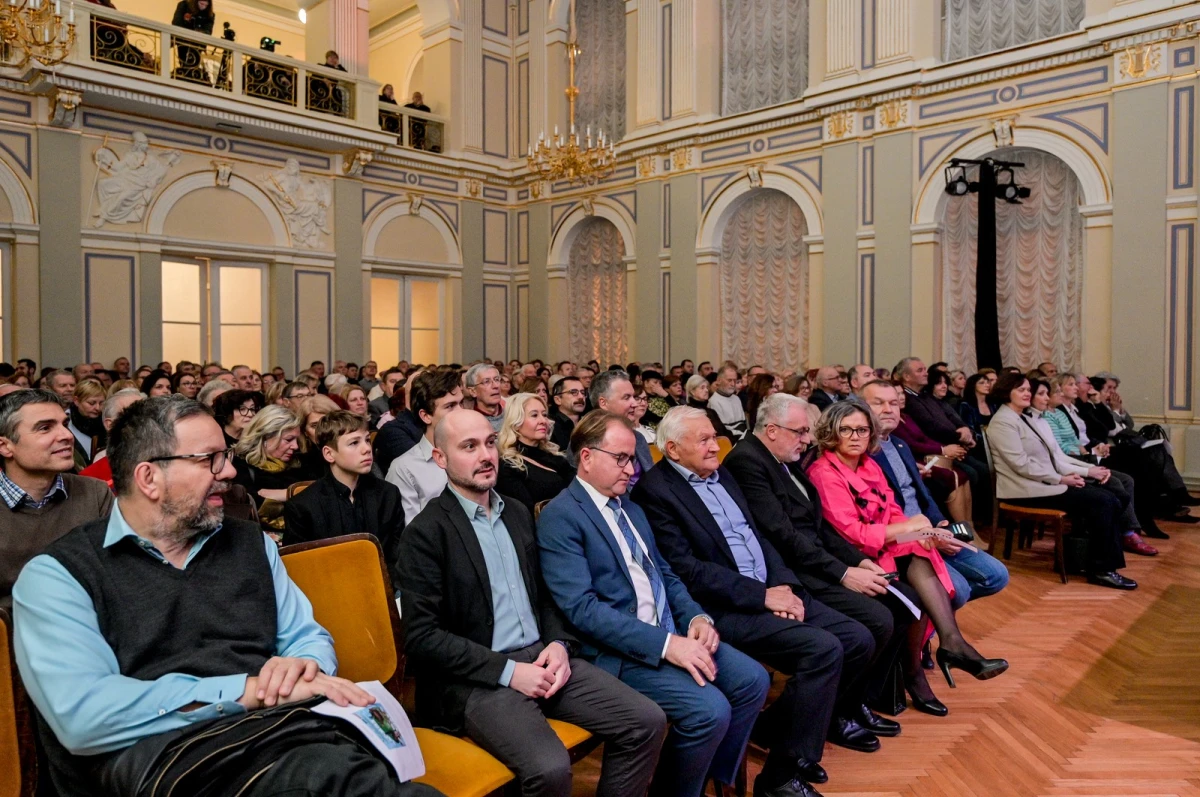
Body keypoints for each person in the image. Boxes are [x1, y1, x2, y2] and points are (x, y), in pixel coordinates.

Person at [12, 395, 437, 797]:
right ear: (149, 478)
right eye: (210, 460)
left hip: (284, 731)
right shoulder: (59, 574)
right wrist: (247, 691)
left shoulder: (250, 543)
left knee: (348, 772)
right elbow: (85, 716)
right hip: (163, 756)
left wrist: (304, 666)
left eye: (226, 456)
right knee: (333, 779)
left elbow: (307, 636)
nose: (230, 472)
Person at [397, 410, 666, 797]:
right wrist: (508, 672)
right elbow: (423, 637)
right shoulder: (425, 533)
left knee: (646, 721)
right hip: (479, 677)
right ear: (440, 458)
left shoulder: (517, 513)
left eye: (490, 443)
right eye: (469, 447)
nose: (485, 455)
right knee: (549, 768)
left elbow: (545, 596)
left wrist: (559, 644)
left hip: (542, 659)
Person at [633, 407, 880, 794]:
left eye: (714, 437)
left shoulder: (721, 474)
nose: (715, 446)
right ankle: (780, 778)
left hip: (771, 588)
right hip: (723, 607)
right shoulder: (656, 492)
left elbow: (758, 536)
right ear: (673, 449)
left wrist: (784, 586)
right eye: (704, 440)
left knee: (858, 638)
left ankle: (779, 732)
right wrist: (762, 596)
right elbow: (687, 570)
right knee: (823, 649)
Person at [537, 411, 772, 797]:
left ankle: (703, 778)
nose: (632, 470)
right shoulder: (562, 517)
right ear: (587, 457)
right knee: (710, 711)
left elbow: (664, 574)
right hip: (619, 651)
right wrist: (667, 645)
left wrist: (695, 617)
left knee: (752, 680)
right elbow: (582, 609)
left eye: (633, 459)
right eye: (621, 458)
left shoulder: (630, 507)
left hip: (668, 629)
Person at [722, 394, 923, 721]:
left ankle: (858, 699)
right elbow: (783, 536)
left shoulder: (781, 457)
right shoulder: (748, 461)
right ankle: (830, 713)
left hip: (816, 558)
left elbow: (820, 527)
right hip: (794, 570)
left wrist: (858, 562)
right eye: (800, 431)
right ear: (772, 430)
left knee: (903, 602)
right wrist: (844, 573)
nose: (807, 440)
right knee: (877, 618)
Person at [807, 400, 1007, 705]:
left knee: (921, 547)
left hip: (886, 545)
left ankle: (940, 651)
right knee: (917, 574)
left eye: (862, 430)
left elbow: (893, 511)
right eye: (846, 430)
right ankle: (935, 656)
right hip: (855, 556)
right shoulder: (824, 472)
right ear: (831, 433)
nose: (855, 437)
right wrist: (910, 529)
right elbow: (852, 534)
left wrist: (922, 532)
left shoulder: (869, 464)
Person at [985, 374, 1144, 589]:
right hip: (1023, 490)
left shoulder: (1025, 418)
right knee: (1104, 501)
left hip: (1042, 484)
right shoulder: (1003, 422)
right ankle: (1102, 570)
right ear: (1006, 392)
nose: (1027, 393)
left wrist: (1087, 471)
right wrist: (1061, 479)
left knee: (1112, 496)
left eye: (1028, 389)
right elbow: (1021, 465)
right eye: (1021, 390)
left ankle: (1087, 560)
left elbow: (1055, 458)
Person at [860, 381, 1009, 608]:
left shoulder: (899, 445)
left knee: (997, 575)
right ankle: (929, 614)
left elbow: (923, 495)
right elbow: (879, 520)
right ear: (861, 408)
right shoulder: (863, 453)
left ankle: (928, 611)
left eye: (893, 403)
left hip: (930, 530)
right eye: (878, 403)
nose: (888, 409)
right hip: (902, 539)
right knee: (958, 590)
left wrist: (941, 524)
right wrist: (928, 535)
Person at [1, 390, 114, 611]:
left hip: (85, 623)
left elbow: (116, 575)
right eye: (45, 428)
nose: (66, 435)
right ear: (5, 446)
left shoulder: (95, 493)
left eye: (65, 424)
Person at [1031, 379, 1156, 553]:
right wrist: (1089, 460)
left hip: (1076, 458)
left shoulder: (1057, 414)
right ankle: (1126, 532)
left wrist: (1090, 453)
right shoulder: (1042, 418)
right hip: (1064, 466)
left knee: (1128, 476)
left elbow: (1077, 439)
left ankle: (1130, 530)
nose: (1056, 394)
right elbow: (1059, 453)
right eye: (1046, 393)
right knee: (1115, 481)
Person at [283, 410, 404, 570]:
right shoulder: (302, 506)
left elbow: (398, 556)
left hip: (382, 582)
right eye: (354, 443)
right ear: (329, 454)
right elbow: (299, 568)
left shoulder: (388, 494)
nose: (366, 449)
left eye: (367, 440)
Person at [386, 368, 463, 521]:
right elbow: (411, 530)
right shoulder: (405, 469)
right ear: (426, 416)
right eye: (450, 406)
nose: (461, 412)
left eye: (462, 403)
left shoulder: (477, 454)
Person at [495, 393, 574, 516]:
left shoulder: (556, 457)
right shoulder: (508, 466)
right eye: (534, 415)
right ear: (516, 422)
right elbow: (525, 513)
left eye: (544, 415)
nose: (543, 421)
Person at [589, 370, 654, 489]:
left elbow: (653, 480)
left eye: (633, 397)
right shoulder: (587, 439)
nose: (635, 404)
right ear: (603, 403)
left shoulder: (638, 438)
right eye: (626, 397)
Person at [231, 405, 306, 506]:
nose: (295, 446)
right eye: (288, 439)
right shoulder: (240, 468)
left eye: (297, 440)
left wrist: (286, 493)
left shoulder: (299, 464)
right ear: (265, 437)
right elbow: (249, 503)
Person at [78, 389, 145, 488]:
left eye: (146, 413)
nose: (143, 421)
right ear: (110, 425)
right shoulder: (90, 479)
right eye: (131, 415)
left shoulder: (165, 459)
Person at [68, 379, 108, 471]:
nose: (97, 408)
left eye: (101, 403)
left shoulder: (107, 425)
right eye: (91, 403)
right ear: (76, 401)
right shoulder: (66, 425)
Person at [684, 375, 734, 441]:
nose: (706, 390)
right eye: (702, 388)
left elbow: (724, 432)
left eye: (707, 387)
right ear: (692, 392)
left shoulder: (711, 412)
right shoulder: (689, 412)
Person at [707, 365, 747, 440]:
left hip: (742, 438)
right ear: (719, 380)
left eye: (734, 380)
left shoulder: (736, 398)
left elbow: (743, 424)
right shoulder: (714, 401)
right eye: (729, 380)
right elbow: (723, 430)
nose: (733, 384)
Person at [549, 376, 587, 452]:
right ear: (558, 400)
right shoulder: (550, 426)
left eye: (583, 393)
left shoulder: (589, 423)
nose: (581, 397)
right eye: (573, 392)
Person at [466, 363, 506, 432]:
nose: (495, 386)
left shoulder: (513, 417)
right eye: (486, 382)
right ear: (473, 391)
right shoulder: (468, 423)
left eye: (497, 379)